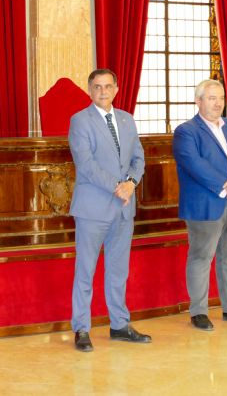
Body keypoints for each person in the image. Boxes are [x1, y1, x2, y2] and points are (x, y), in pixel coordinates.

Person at [68, 69, 150, 352]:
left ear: (116, 89)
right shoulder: (80, 120)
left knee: (118, 271)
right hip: (93, 208)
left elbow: (139, 158)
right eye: (97, 87)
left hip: (124, 209)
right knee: (86, 271)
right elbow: (86, 164)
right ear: (89, 90)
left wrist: (131, 183)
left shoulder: (127, 119)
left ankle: (119, 325)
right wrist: (118, 187)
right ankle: (81, 328)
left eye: (107, 86)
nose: (102, 91)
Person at [172, 79, 227, 331]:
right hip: (206, 203)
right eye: (211, 98)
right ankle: (198, 311)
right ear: (198, 101)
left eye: (221, 98)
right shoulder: (186, 131)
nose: (218, 103)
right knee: (201, 256)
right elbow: (195, 165)